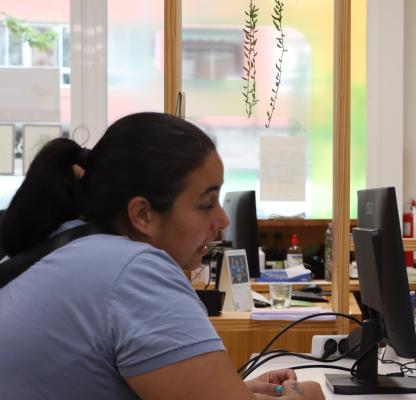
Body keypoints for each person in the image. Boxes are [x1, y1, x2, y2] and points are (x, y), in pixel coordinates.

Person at [0, 112, 324, 400]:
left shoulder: (65, 245)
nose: (222, 220)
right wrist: (304, 394)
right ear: (143, 215)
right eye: (205, 204)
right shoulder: (134, 272)